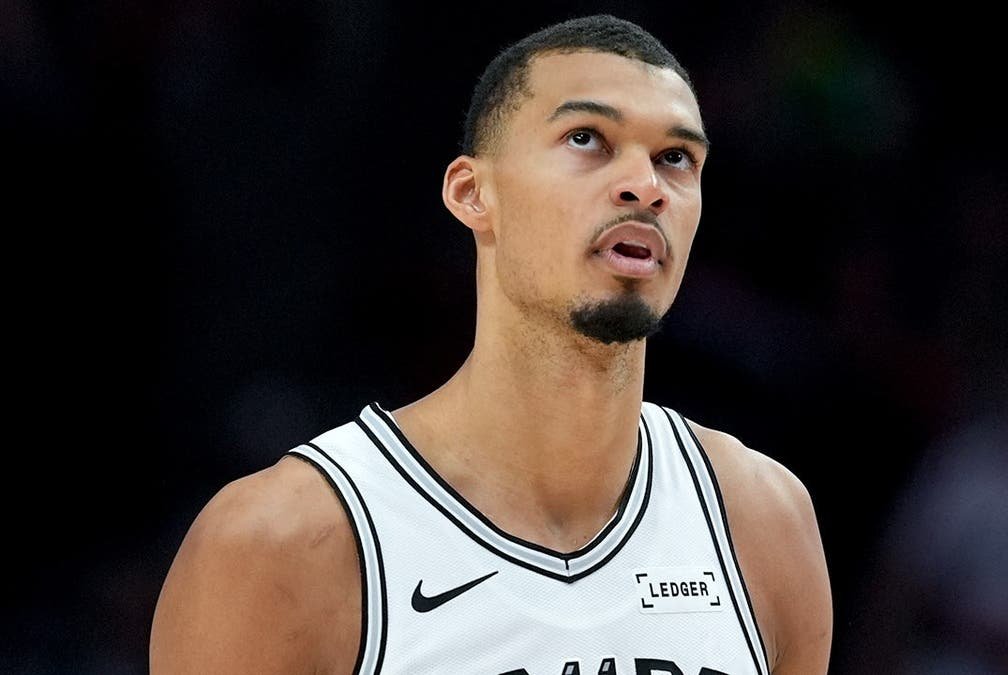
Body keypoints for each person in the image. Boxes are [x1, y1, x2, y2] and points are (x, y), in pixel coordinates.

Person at [150, 14, 832, 675]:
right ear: (473, 193)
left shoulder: (763, 520)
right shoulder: (282, 541)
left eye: (675, 157)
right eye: (587, 139)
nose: (645, 186)